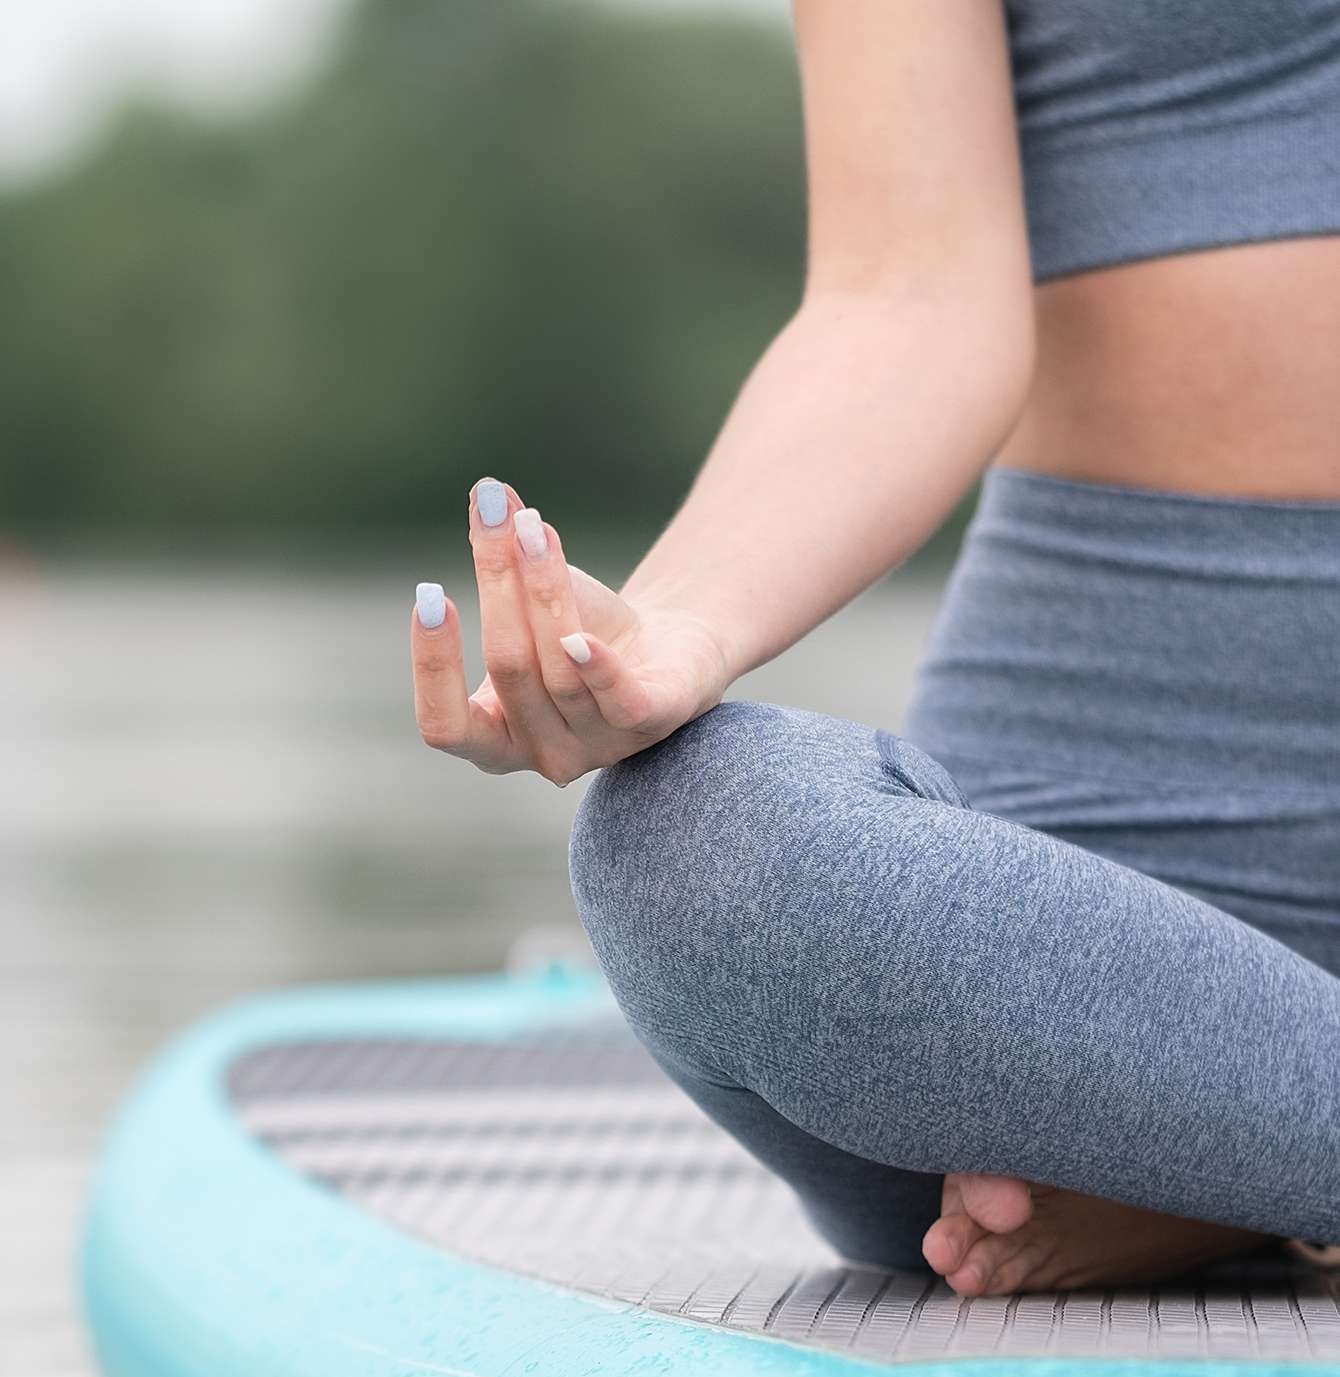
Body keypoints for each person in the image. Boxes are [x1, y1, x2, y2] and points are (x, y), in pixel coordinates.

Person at [407, 0, 1340, 1296]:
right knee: (693, 839)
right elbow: (906, 295)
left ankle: (1243, 1175)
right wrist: (671, 637)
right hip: (1069, 937)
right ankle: (1230, 1139)